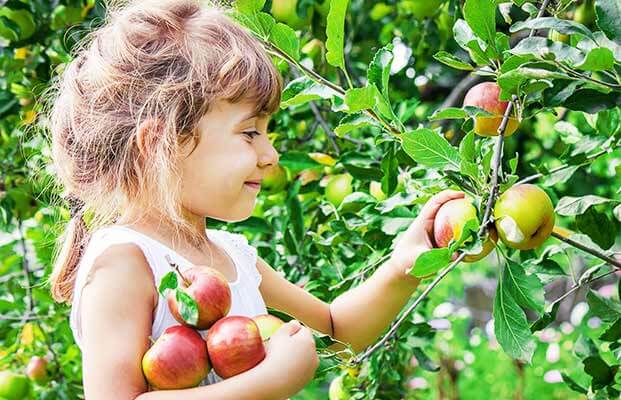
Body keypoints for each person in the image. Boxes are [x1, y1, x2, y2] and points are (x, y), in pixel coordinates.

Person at [43, 0, 465, 398]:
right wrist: (271, 382)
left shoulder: (231, 255)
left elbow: (336, 330)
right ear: (162, 144)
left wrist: (403, 267)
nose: (271, 156)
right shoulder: (125, 262)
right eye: (250, 133)